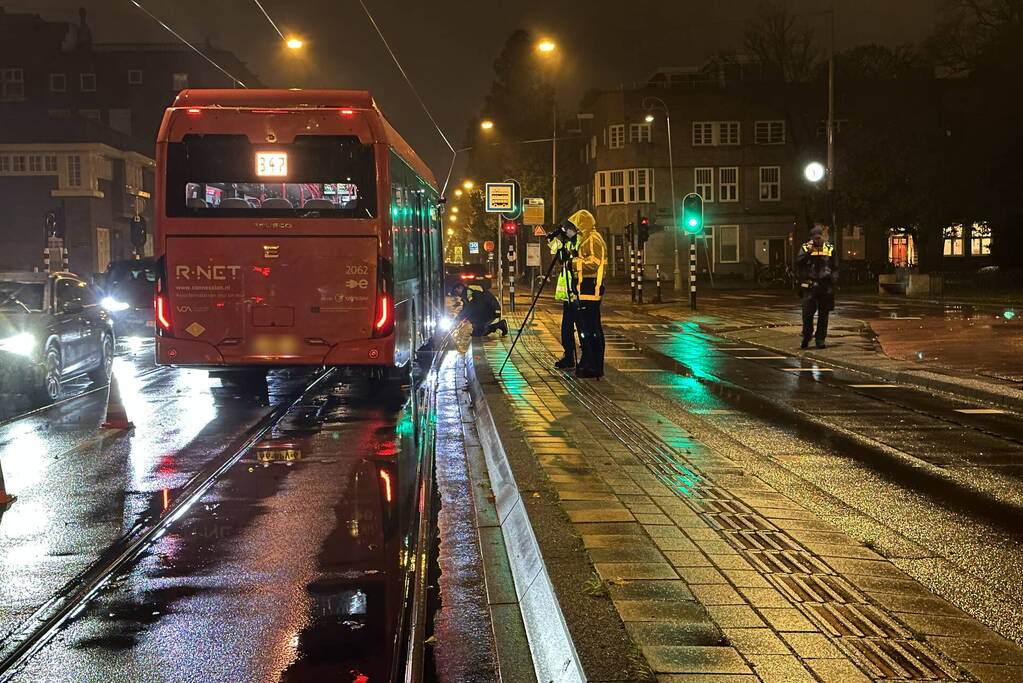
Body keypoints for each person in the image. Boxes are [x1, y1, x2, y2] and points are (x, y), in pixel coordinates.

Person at [567, 209, 607, 378]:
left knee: (591, 329)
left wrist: (573, 262)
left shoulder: (592, 239)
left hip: (590, 290)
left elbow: (593, 263)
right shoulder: (587, 239)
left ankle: (593, 365)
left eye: (576, 226)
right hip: (585, 290)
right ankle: (589, 362)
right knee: (587, 328)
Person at [796, 226, 838, 349]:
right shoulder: (805, 248)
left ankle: (820, 339)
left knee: (824, 314)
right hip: (809, 284)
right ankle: (807, 335)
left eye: (819, 238)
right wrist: (808, 253)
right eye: (815, 238)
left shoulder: (829, 248)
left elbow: (835, 266)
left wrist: (833, 279)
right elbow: (799, 262)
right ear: (811, 238)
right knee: (807, 313)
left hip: (825, 285)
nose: (817, 240)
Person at [548, 223, 579, 369]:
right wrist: (553, 240)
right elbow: (561, 258)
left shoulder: (579, 242)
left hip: (577, 292)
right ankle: (568, 356)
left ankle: (581, 357)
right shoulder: (569, 243)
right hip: (569, 294)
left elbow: (575, 258)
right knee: (567, 327)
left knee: (579, 326)